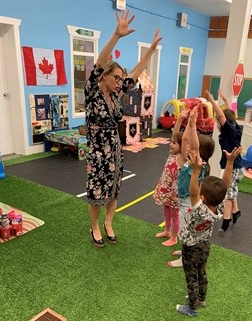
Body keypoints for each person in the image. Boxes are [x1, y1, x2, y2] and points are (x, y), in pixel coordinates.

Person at [85, 10, 162, 248]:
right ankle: (95, 226)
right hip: (98, 151)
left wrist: (150, 51)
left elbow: (137, 72)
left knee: (114, 187)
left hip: (115, 149)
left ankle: (109, 223)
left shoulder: (117, 93)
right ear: (105, 76)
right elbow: (99, 62)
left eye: (121, 79)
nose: (120, 82)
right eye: (116, 77)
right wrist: (117, 36)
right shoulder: (92, 91)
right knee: (97, 191)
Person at [176, 145, 243, 317]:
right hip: (204, 246)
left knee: (191, 278)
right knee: (201, 272)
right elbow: (225, 184)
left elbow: (192, 193)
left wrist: (196, 172)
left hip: (191, 248)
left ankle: (192, 308)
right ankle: (202, 298)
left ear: (203, 198)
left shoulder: (200, 209)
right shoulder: (219, 206)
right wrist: (229, 163)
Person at [168, 107, 215, 268]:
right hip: (183, 201)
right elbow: (186, 141)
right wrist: (188, 124)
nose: (187, 149)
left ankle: (185, 259)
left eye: (194, 149)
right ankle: (184, 251)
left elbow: (193, 145)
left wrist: (194, 126)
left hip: (189, 203)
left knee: (185, 231)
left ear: (201, 153)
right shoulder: (186, 161)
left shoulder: (199, 165)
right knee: (184, 230)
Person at [206, 90, 244, 232]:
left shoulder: (229, 131)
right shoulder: (235, 127)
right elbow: (230, 112)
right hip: (232, 166)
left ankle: (226, 220)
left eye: (217, 122)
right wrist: (225, 99)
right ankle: (236, 212)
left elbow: (222, 115)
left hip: (234, 167)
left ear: (223, 123)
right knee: (231, 191)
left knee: (228, 194)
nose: (217, 123)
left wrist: (212, 99)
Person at [153, 131, 183, 247]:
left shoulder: (181, 158)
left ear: (182, 147)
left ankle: (174, 237)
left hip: (174, 193)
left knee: (175, 215)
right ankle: (167, 231)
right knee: (166, 211)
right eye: (171, 142)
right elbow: (175, 131)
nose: (171, 144)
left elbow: (185, 142)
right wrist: (180, 118)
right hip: (165, 190)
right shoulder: (171, 154)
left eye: (174, 143)